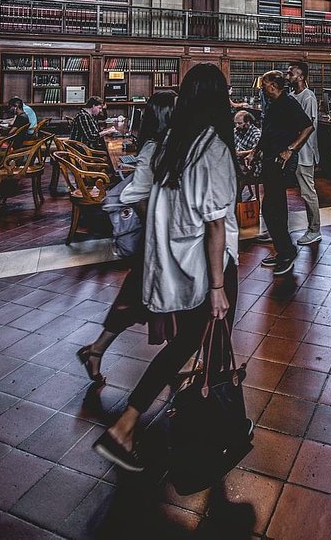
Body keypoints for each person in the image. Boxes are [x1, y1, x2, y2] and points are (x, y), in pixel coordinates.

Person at [93, 64, 239, 473]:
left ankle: (139, 423)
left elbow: (151, 200)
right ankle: (196, 430)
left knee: (191, 343)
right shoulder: (214, 149)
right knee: (204, 342)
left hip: (174, 260)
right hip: (209, 265)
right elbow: (215, 225)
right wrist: (216, 286)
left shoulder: (171, 141)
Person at [76, 90, 177, 385]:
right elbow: (135, 194)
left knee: (140, 297)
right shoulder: (154, 148)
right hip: (156, 240)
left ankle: (97, 350)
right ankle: (174, 359)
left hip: (160, 239)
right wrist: (155, 226)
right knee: (156, 299)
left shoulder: (161, 145)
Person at [246, 70, 313, 277]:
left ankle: (287, 252)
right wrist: (254, 152)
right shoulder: (273, 105)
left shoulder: (289, 104)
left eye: (264, 84)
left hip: (281, 162)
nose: (262, 88)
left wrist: (290, 149)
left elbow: (308, 127)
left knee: (272, 208)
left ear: (273, 86)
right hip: (269, 159)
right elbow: (267, 134)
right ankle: (283, 249)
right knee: (274, 208)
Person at [287, 61, 321, 246]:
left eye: (290, 74)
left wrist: (293, 148)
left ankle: (315, 230)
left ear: (300, 77)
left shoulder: (308, 97)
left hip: (304, 153)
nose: (288, 77)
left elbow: (308, 127)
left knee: (308, 193)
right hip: (292, 152)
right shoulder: (292, 96)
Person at [233, 111, 262, 197]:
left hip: (251, 163)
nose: (237, 126)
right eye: (235, 123)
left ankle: (236, 196)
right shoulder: (236, 131)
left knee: (240, 173)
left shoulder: (255, 133)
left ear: (248, 122)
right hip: (237, 161)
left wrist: (240, 153)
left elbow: (259, 150)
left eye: (239, 123)